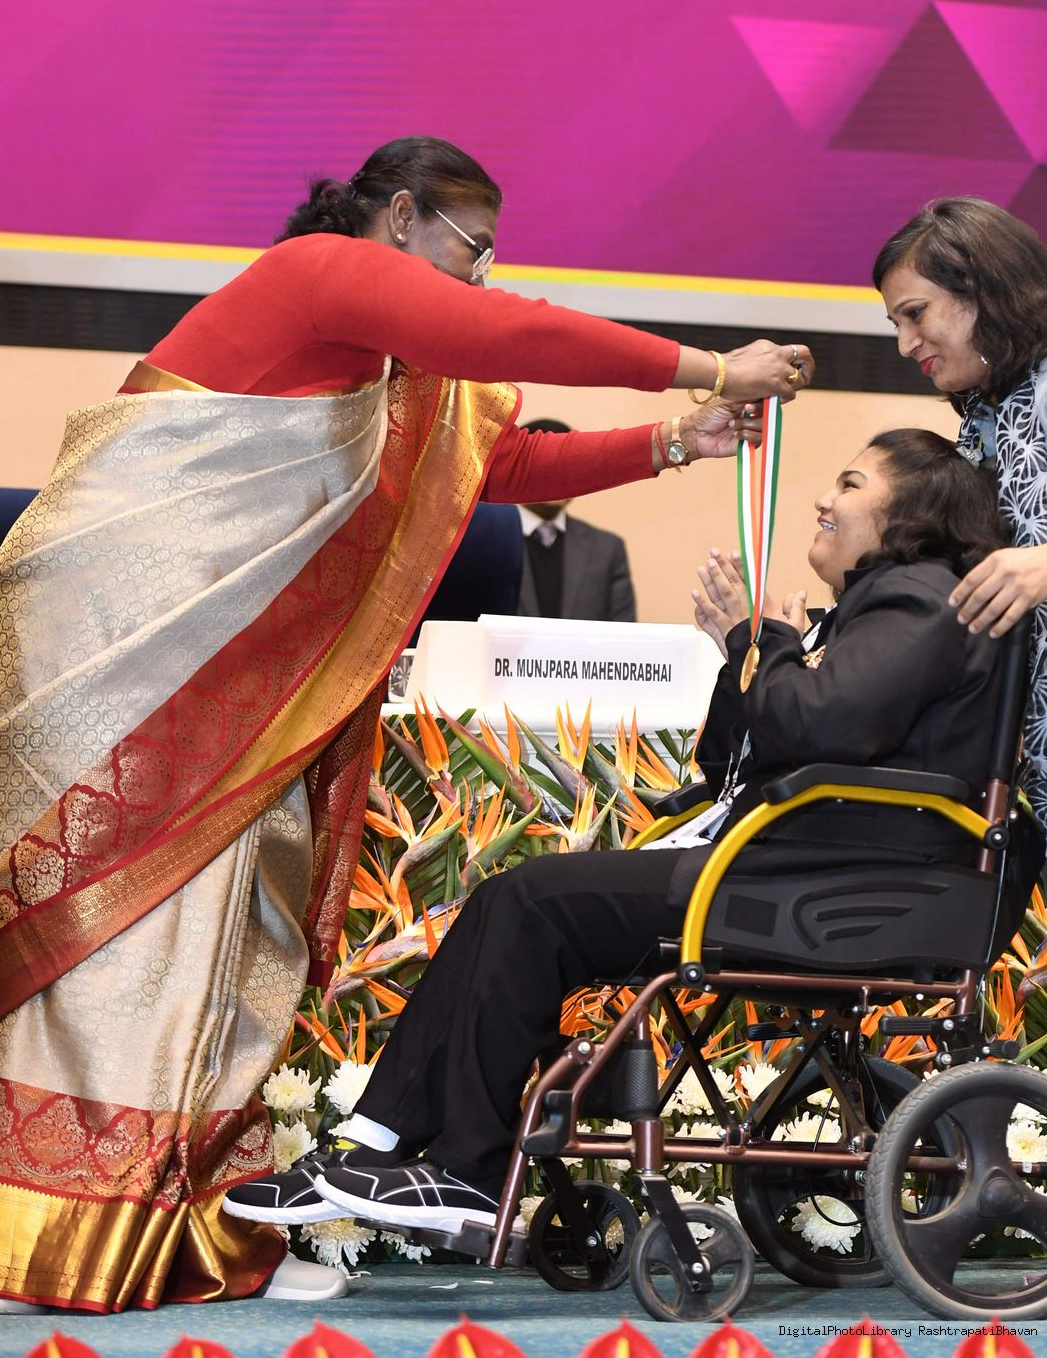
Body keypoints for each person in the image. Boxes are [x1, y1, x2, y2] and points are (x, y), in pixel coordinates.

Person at [0, 136, 813, 1314]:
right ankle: (40, 1233)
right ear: (403, 216)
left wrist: (676, 441)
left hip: (243, 673)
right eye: (470, 249)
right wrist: (710, 366)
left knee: (225, 935)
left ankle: (185, 1219)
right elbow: (511, 335)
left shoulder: (396, 369)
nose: (477, 277)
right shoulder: (322, 271)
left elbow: (496, 464)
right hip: (131, 647)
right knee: (128, 932)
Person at [224, 427, 1043, 1240]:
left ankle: (461, 1169)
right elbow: (730, 760)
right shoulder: (868, 612)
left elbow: (817, 726)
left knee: (527, 902)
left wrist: (758, 640)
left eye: (851, 483)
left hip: (835, 885)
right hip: (801, 869)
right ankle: (371, 1147)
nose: (825, 499)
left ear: (912, 512)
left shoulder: (920, 597)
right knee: (517, 902)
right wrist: (751, 650)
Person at [874, 198, 1047, 832]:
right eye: (896, 322)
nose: (904, 344)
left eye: (915, 313)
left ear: (983, 289)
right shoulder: (985, 411)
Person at [516, 418, 637, 622]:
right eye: (544, 464)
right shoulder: (482, 544)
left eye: (567, 464)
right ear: (515, 470)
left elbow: (624, 634)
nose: (556, 475)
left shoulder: (607, 550)